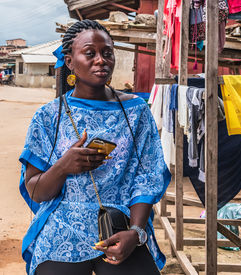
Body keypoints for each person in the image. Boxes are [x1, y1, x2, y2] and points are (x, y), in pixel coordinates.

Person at [19, 19, 171, 275]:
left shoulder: (136, 111)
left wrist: (135, 233)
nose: (101, 60)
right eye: (90, 53)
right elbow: (36, 191)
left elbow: (147, 178)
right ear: (69, 62)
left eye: (107, 53)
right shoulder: (48, 117)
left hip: (121, 223)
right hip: (63, 226)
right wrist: (63, 167)